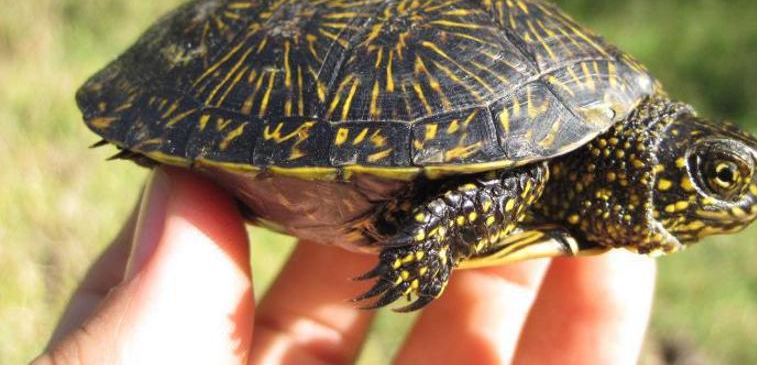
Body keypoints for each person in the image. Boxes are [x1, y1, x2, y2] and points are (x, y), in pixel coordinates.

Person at [34, 168, 656, 365]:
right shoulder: (536, 176)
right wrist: (429, 238)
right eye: (721, 177)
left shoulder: (575, 195)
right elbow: (516, 167)